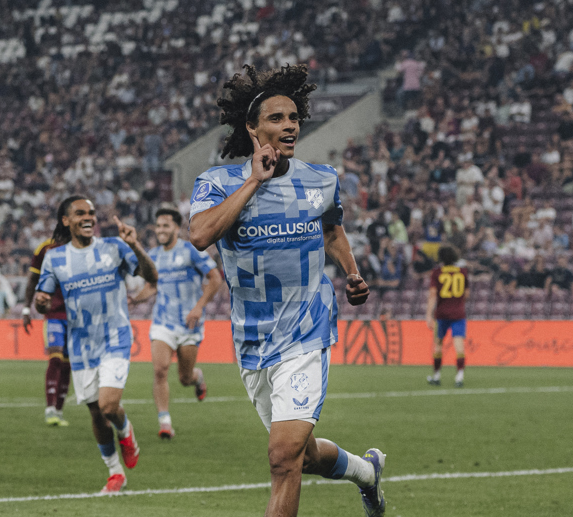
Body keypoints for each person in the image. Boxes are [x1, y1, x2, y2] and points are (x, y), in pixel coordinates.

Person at [187, 64, 386, 517]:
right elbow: (200, 235)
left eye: (294, 117)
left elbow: (332, 230)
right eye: (276, 118)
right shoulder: (217, 183)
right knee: (302, 456)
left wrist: (352, 273)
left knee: (282, 457)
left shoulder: (321, 179)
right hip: (253, 339)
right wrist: (254, 180)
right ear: (252, 128)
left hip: (306, 331)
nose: (290, 125)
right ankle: (366, 471)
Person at [34, 196, 157, 494]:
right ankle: (115, 472)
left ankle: (126, 432)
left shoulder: (115, 247)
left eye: (91, 212)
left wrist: (135, 245)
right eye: (80, 213)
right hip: (80, 345)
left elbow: (152, 277)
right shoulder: (54, 258)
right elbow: (42, 300)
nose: (88, 217)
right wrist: (40, 302)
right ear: (66, 221)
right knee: (96, 414)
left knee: (108, 405)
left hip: (115, 337)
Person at [144, 207, 223, 439]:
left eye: (165, 225)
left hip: (189, 324)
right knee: (160, 370)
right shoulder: (153, 255)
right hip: (162, 322)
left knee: (184, 378)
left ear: (177, 228)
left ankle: (197, 377)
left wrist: (199, 306)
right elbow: (151, 286)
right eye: (158, 226)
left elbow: (215, 278)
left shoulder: (191, 251)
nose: (161, 230)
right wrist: (134, 298)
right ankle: (165, 422)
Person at [20, 227, 72, 427]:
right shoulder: (45, 248)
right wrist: (26, 309)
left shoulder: (82, 247)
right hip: (53, 314)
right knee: (55, 359)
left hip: (76, 315)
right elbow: (33, 279)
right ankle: (50, 408)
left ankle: (59, 410)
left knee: (67, 364)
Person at [425, 245, 468, 388]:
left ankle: (436, 376)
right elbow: (466, 294)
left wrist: (428, 315)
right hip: (458, 314)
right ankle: (459, 377)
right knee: (459, 345)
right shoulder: (462, 272)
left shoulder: (437, 272)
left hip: (441, 314)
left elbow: (432, 294)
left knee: (438, 345)